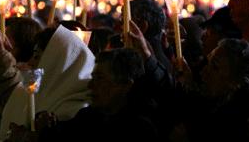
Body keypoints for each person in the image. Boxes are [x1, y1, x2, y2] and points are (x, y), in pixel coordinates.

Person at [9, 48, 159, 142]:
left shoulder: (140, 129)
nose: (90, 85)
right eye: (93, 77)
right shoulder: (90, 116)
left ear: (125, 85)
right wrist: (46, 125)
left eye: (99, 78)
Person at [0, 23, 95, 140]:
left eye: (37, 56)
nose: (30, 62)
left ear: (57, 62)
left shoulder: (77, 112)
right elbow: (10, 88)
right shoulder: (36, 91)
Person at [181, 38, 249, 142]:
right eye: (208, 62)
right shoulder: (215, 100)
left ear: (237, 81)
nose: (204, 71)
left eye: (215, 67)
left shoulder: (231, 127)